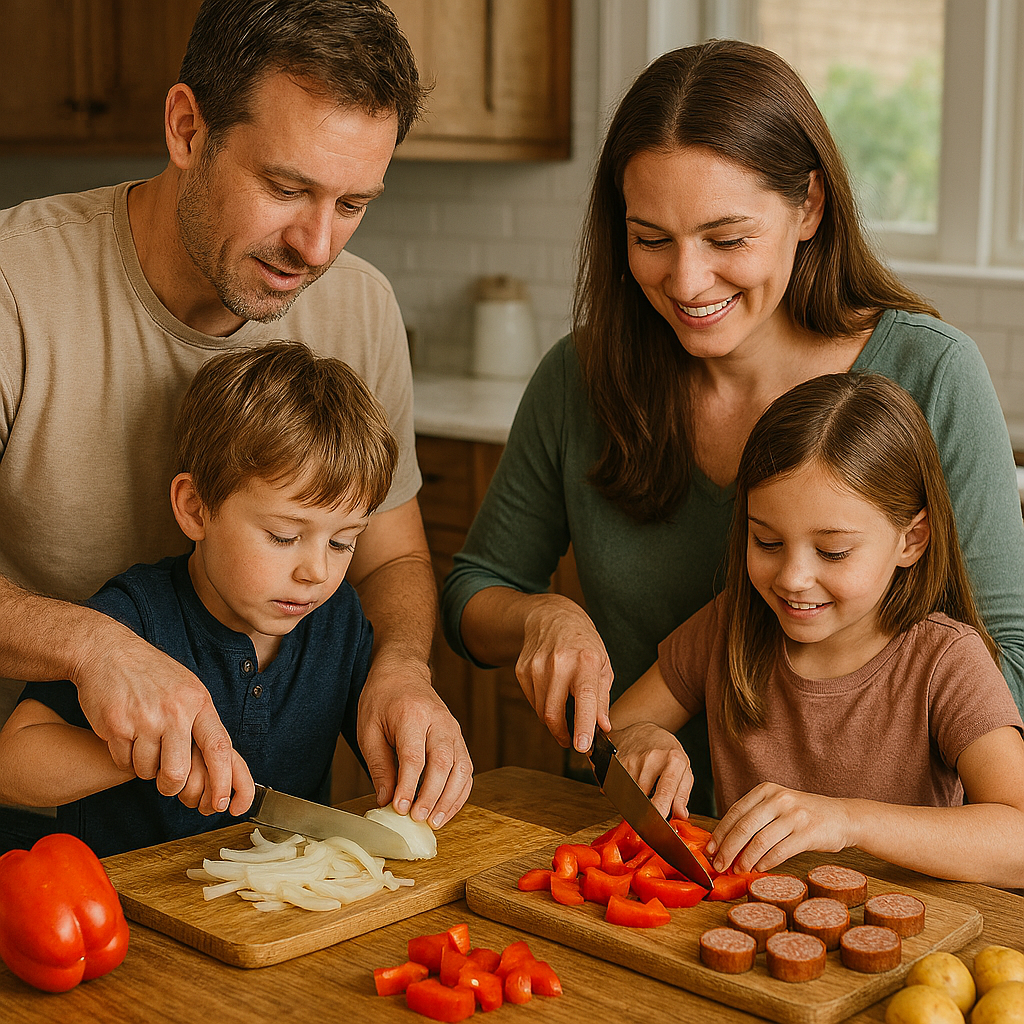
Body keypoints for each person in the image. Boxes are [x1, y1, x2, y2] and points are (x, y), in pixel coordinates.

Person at [441, 40, 1024, 814]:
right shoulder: (580, 378)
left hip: (883, 872)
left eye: (727, 239)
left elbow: (1007, 666)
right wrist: (544, 615)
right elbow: (472, 595)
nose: (686, 282)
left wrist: (836, 804)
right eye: (650, 239)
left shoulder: (932, 371)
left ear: (808, 206)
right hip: (658, 842)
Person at [0, 0, 472, 835]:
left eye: (355, 203)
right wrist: (95, 649)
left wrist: (401, 668)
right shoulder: (16, 285)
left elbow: (391, 554)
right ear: (187, 129)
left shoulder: (361, 308)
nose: (318, 247)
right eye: (287, 188)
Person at [608, 373, 1024, 887]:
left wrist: (845, 820)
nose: (792, 579)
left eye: (833, 552)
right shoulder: (730, 624)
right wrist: (644, 738)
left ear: (911, 541)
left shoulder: (946, 660)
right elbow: (610, 737)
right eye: (766, 542)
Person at [0, 342, 401, 857]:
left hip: (274, 914)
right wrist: (140, 752)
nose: (316, 572)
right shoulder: (134, 618)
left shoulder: (338, 619)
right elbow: (12, 762)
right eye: (282, 535)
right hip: (126, 906)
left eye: (343, 541)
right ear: (195, 509)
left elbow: (385, 737)